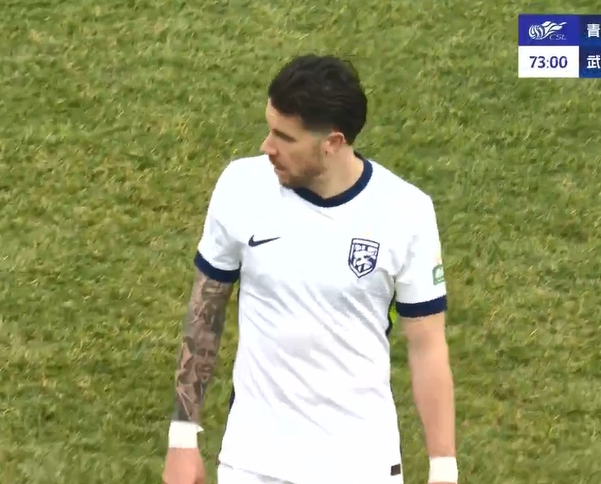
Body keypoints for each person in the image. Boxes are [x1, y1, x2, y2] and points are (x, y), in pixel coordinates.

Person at [162, 54, 458, 484]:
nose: (267, 146)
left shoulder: (405, 212)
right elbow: (206, 312)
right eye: (270, 128)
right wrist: (182, 438)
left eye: (285, 137)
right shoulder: (241, 187)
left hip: (361, 467)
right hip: (253, 463)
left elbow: (426, 345)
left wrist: (443, 469)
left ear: (332, 143)